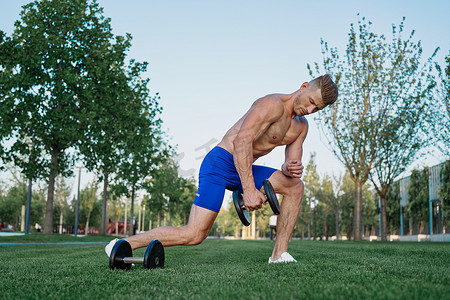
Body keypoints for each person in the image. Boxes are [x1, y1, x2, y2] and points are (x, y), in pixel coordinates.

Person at [106, 74, 338, 263]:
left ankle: (279, 255)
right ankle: (124, 244)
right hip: (221, 161)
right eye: (310, 102)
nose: (309, 110)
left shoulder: (301, 127)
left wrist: (290, 167)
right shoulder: (271, 104)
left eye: (316, 109)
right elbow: (242, 142)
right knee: (194, 235)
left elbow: (290, 168)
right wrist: (248, 189)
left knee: (295, 187)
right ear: (304, 86)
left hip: (246, 166)